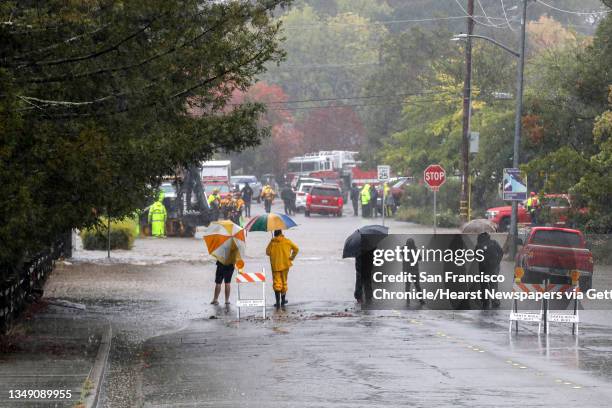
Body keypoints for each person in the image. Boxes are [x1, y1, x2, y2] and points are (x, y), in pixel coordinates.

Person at [266, 230, 299, 309]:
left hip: (275, 266)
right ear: (281, 233)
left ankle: (278, 303)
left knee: (277, 283)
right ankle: (283, 301)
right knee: (284, 282)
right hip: (285, 265)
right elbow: (296, 249)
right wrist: (291, 257)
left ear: (274, 234)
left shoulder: (272, 242)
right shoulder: (287, 241)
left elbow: (267, 252)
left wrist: (272, 245)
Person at [475, 232, 503, 309]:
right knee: (493, 284)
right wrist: (497, 261)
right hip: (494, 267)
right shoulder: (494, 243)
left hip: (483, 268)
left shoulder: (479, 245)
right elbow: (501, 252)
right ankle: (495, 301)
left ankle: (485, 301)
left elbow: (476, 256)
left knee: (484, 285)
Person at [403, 238, 425, 306]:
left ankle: (408, 301)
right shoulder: (415, 250)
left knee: (407, 286)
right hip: (415, 271)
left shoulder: (404, 250)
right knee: (417, 286)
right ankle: (421, 300)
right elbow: (420, 258)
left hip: (407, 271)